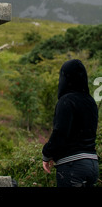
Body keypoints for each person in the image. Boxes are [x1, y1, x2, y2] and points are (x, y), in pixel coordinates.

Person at [42, 59, 99, 187]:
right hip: (92, 164)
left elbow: (60, 133)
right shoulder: (91, 102)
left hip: (72, 165)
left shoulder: (66, 101)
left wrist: (46, 154)